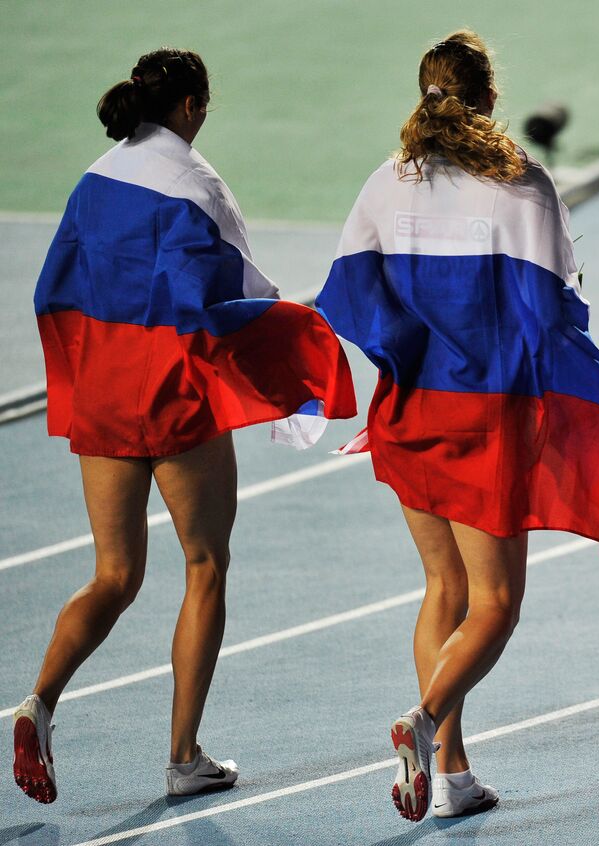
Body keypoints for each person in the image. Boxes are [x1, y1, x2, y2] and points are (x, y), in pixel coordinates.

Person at [315, 29, 599, 823]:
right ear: (488, 99)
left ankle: (451, 777)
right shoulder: (520, 182)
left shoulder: (387, 181)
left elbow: (347, 297)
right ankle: (422, 720)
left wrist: (410, 354)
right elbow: (553, 309)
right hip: (488, 414)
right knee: (497, 601)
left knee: (443, 586)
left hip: (408, 407)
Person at [14, 48, 357, 804]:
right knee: (205, 564)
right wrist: (296, 334)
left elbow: (55, 284)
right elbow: (236, 290)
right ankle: (182, 757)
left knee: (114, 574)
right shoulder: (197, 185)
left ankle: (38, 701)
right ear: (193, 107)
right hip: (169, 395)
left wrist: (85, 367)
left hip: (103, 392)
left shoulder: (94, 179)